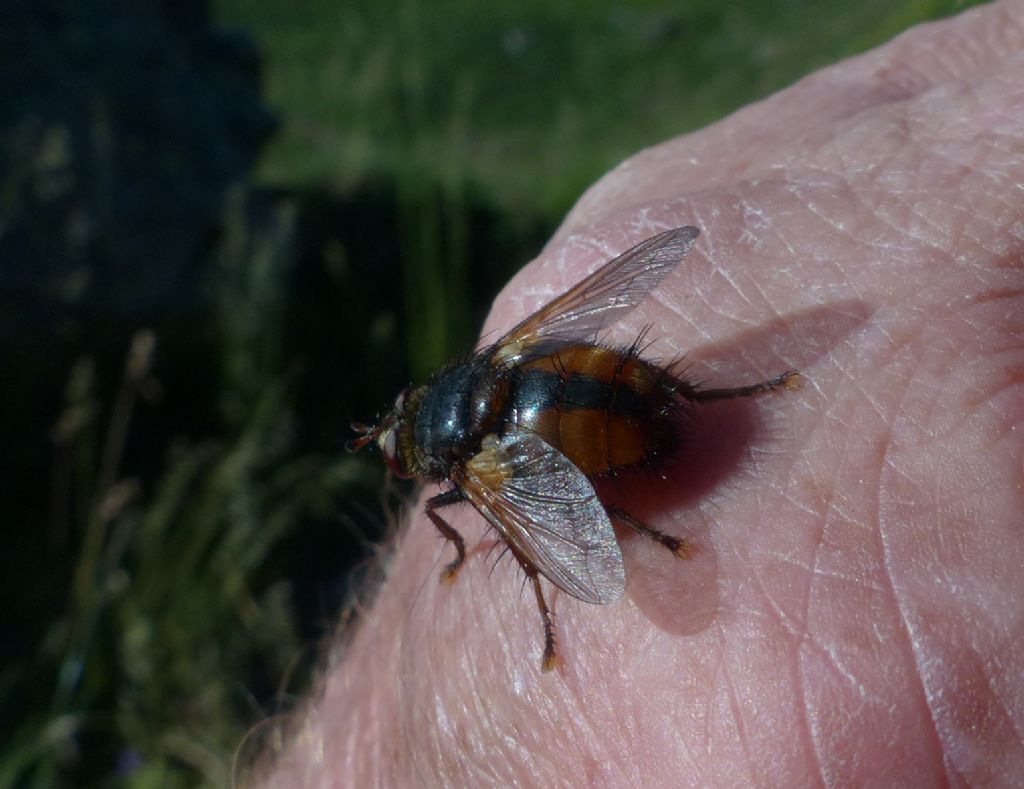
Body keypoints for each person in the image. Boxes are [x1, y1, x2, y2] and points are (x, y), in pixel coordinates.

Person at [256, 2, 1024, 784]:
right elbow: (577, 343)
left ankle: (707, 419)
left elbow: (545, 525)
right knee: (583, 352)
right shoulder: (497, 358)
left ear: (429, 458)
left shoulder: (473, 483)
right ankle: (721, 395)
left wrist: (578, 559)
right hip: (536, 376)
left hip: (559, 419)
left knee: (557, 493)